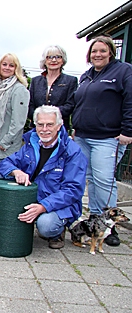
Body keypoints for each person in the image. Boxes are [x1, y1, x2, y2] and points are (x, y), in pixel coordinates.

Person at [0, 105, 87, 249]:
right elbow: (6, 163)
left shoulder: (73, 152)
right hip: (34, 195)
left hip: (57, 204)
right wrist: (16, 171)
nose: (44, 129)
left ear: (59, 125)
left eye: (50, 124)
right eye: (40, 124)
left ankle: (58, 231)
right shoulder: (31, 143)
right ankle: (10, 220)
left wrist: (44, 206)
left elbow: (73, 190)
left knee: (46, 226)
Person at [71, 36, 132, 247]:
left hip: (108, 137)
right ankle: (96, 221)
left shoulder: (123, 71)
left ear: (111, 53)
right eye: (94, 51)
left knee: (104, 180)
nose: (98, 55)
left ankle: (111, 227)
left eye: (102, 51)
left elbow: (130, 101)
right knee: (90, 179)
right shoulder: (87, 76)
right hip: (83, 136)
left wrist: (128, 131)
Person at [0, 53, 29, 173]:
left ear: (16, 69)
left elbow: (18, 121)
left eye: (11, 65)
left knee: (3, 180)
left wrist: (5, 142)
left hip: (6, 146)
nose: (7, 68)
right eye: (4, 64)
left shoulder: (19, 90)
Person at [28, 45, 77, 132]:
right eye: (49, 57)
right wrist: (39, 117)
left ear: (63, 60)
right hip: (37, 129)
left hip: (60, 129)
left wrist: (51, 116)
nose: (54, 60)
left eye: (58, 57)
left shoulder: (71, 80)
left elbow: (70, 105)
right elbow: (30, 104)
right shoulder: (35, 81)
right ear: (45, 61)